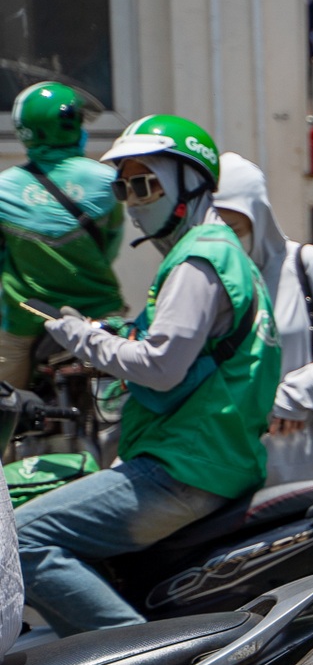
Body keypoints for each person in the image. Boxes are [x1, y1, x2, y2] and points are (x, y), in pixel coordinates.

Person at [16, 116, 280, 634]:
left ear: (190, 180)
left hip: (182, 466)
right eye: (124, 188)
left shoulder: (198, 260)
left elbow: (160, 368)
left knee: (22, 538)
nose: (133, 201)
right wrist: (111, 332)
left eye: (146, 184)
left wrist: (81, 336)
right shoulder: (221, 253)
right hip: (208, 457)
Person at [213, 154, 313, 483]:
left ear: (259, 216)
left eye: (235, 228)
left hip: (303, 461)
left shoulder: (304, 265)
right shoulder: (205, 277)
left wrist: (292, 396)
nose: (226, 241)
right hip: (225, 465)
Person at [0, 83, 125, 388]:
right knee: (125, 402)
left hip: (27, 319)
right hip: (99, 311)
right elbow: (111, 246)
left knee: (7, 412)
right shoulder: (109, 180)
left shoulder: (4, 189)